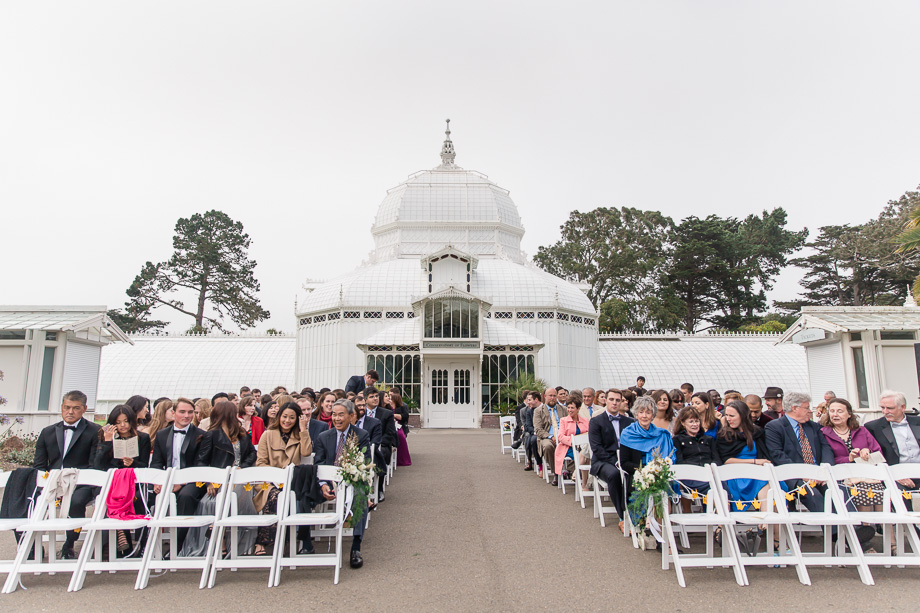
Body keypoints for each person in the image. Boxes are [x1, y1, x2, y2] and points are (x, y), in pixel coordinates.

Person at [32, 390, 102, 559]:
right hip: (52, 484)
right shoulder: (47, 432)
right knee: (27, 501)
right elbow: (39, 466)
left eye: (76, 408)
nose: (70, 412)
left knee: (75, 502)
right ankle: (33, 547)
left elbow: (94, 465)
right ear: (62, 407)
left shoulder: (95, 431)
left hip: (81, 484)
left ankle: (69, 544)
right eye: (67, 407)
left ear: (84, 409)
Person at [192, 400, 258, 557]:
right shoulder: (211, 435)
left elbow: (252, 453)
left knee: (232, 495)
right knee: (212, 502)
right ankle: (220, 538)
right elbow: (201, 461)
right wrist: (209, 482)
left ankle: (218, 532)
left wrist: (243, 466)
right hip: (219, 480)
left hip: (239, 479)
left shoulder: (241, 433)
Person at [314, 399, 372, 569]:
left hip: (352, 481)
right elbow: (318, 464)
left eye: (341, 415)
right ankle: (305, 543)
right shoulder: (323, 437)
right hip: (328, 482)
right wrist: (323, 484)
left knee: (360, 496)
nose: (337, 419)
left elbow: (365, 462)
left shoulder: (361, 435)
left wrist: (350, 476)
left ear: (351, 416)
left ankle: (356, 547)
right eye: (334, 414)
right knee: (301, 492)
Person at [253, 402, 313, 556]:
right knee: (275, 495)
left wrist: (303, 429)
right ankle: (266, 540)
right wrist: (276, 477)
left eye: (292, 417)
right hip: (269, 481)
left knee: (288, 495)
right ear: (279, 416)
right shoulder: (268, 435)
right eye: (284, 416)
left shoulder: (299, 435)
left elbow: (306, 452)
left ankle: (272, 540)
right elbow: (261, 463)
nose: (287, 421)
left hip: (291, 481)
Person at [94, 405, 151, 556]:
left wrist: (132, 463)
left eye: (126, 421)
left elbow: (145, 466)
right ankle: (121, 541)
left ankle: (141, 543)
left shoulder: (142, 438)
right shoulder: (105, 437)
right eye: (118, 422)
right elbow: (98, 466)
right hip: (113, 484)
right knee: (114, 497)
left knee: (137, 500)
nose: (123, 425)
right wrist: (107, 442)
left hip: (134, 483)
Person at [150, 397, 206, 551]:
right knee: (145, 496)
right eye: (182, 412)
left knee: (186, 496)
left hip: (193, 480)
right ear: (173, 413)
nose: (187, 416)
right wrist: (157, 481)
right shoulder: (162, 435)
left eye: (190, 412)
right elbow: (156, 462)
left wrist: (181, 483)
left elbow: (200, 464)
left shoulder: (201, 435)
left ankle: (177, 545)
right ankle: (147, 546)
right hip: (167, 479)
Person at [763, 391, 833, 513]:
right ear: (794, 408)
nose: (810, 411)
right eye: (806, 408)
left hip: (819, 474)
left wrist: (824, 470)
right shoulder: (774, 427)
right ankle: (831, 526)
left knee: (837, 494)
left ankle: (851, 524)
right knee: (815, 497)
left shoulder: (814, 427)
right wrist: (802, 473)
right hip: (794, 475)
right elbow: (777, 455)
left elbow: (826, 448)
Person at [820, 397, 885, 512]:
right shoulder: (824, 433)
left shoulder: (861, 430)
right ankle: (863, 522)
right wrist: (848, 459)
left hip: (866, 473)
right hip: (843, 475)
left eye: (840, 411)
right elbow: (827, 460)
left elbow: (878, 453)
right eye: (832, 411)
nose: (835, 414)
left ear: (849, 414)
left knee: (879, 490)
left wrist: (868, 451)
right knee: (863, 490)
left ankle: (883, 522)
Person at [588, 388, 634, 531]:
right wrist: (615, 462)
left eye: (618, 400)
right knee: (615, 474)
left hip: (624, 460)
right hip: (603, 461)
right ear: (605, 401)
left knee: (635, 473)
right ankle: (622, 516)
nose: (614, 403)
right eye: (611, 399)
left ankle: (636, 513)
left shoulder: (630, 422)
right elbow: (597, 448)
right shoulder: (596, 421)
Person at [716, 400, 774, 512]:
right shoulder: (724, 435)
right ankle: (765, 519)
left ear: (742, 416)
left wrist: (760, 463)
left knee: (768, 483)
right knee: (763, 481)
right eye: (726, 415)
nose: (728, 419)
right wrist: (754, 462)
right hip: (736, 473)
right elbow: (726, 460)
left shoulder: (757, 432)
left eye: (732, 416)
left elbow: (764, 454)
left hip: (756, 471)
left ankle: (767, 519)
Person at [618, 396, 676, 492]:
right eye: (641, 412)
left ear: (653, 415)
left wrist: (657, 471)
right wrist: (645, 470)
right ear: (636, 414)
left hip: (659, 476)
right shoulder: (628, 433)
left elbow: (669, 459)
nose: (644, 416)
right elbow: (624, 463)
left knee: (666, 488)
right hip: (636, 477)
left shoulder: (662, 434)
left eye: (648, 413)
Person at [864, 391, 920, 479]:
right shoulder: (873, 427)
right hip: (894, 477)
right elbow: (874, 458)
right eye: (882, 408)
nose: (885, 412)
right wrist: (895, 475)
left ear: (903, 407)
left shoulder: (918, 421)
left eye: (890, 408)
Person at [672, 407, 720, 500]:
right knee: (713, 489)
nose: (695, 424)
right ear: (683, 423)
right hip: (691, 478)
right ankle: (717, 508)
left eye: (697, 421)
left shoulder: (708, 439)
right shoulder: (677, 440)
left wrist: (712, 466)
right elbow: (680, 462)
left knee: (722, 487)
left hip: (710, 475)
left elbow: (717, 459)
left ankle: (723, 508)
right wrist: (699, 469)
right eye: (691, 422)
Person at [364, 388, 397, 501]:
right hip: (363, 444)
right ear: (365, 399)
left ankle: (379, 488)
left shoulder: (386, 413)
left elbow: (389, 433)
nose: (375, 399)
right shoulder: (360, 413)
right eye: (371, 397)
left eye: (376, 396)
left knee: (380, 454)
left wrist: (376, 444)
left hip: (380, 444)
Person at [533, 388, 564, 485]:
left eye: (554, 396)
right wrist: (551, 437)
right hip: (547, 437)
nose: (552, 398)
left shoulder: (564, 409)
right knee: (548, 446)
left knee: (577, 447)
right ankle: (556, 473)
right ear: (545, 396)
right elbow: (538, 429)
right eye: (550, 396)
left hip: (563, 437)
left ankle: (570, 471)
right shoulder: (538, 411)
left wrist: (562, 437)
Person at [555, 397, 589, 479]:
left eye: (572, 408)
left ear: (578, 409)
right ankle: (578, 476)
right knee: (584, 456)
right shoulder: (563, 420)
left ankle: (575, 473)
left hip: (583, 447)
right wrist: (574, 441)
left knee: (587, 454)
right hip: (568, 447)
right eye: (568, 407)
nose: (570, 410)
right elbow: (560, 436)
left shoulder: (585, 421)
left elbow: (589, 434)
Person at [389, 389, 412, 467]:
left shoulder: (402, 406)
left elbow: (405, 417)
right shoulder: (387, 407)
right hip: (391, 426)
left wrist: (394, 415)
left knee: (400, 436)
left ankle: (403, 459)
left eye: (391, 397)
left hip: (399, 425)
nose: (389, 399)